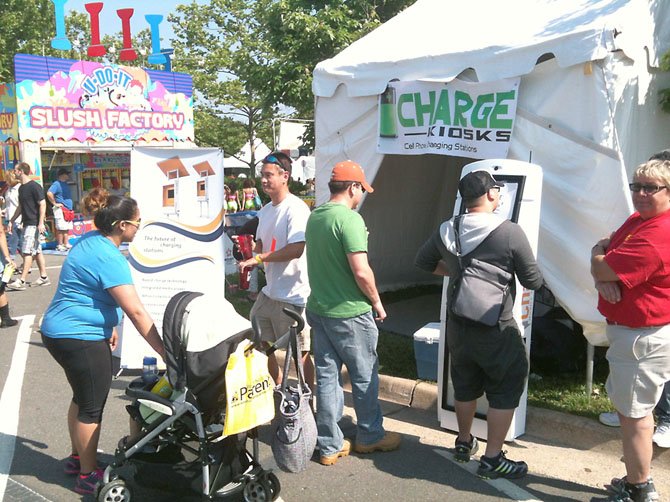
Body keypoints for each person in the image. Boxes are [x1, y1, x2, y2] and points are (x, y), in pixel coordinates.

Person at [415, 170, 543, 479]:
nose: (498, 196)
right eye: (496, 192)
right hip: (496, 326)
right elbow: (533, 280)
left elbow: (423, 262)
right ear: (490, 195)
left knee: (465, 383)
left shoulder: (448, 228)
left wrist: (459, 273)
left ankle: (463, 442)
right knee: (506, 384)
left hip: (459, 324)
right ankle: (493, 458)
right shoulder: (510, 232)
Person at [40, 192, 165, 495]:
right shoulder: (109, 257)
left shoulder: (90, 241)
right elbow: (136, 311)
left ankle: (76, 457)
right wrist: (165, 351)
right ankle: (86, 473)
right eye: (138, 222)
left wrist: (108, 324)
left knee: (82, 397)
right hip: (78, 336)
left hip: (60, 331)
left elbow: (91, 291)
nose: (139, 227)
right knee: (91, 407)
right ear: (122, 225)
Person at [305, 160, 401, 466]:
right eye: (362, 189)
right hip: (350, 313)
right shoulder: (349, 220)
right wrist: (377, 302)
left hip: (320, 309)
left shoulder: (315, 217)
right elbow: (361, 271)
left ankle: (329, 445)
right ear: (353, 187)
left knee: (328, 376)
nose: (361, 196)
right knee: (364, 376)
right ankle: (370, 435)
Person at [590, 158, 670, 501]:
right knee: (632, 410)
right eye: (636, 186)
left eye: (650, 188)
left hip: (641, 337)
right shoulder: (641, 220)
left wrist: (599, 265)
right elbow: (610, 244)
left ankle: (639, 488)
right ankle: (636, 480)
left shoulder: (657, 235)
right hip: (634, 334)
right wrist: (603, 271)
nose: (640, 194)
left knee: (635, 416)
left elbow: (604, 259)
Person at [237, 152, 315, 391]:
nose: (263, 180)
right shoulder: (266, 210)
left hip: (294, 297)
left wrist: (259, 257)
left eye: (269, 175)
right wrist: (251, 251)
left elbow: (296, 249)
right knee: (264, 343)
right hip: (270, 293)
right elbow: (260, 245)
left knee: (299, 352)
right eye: (262, 175)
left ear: (285, 176)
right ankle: (277, 387)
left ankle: (306, 398)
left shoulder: (296, 209)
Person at [7, 162, 50, 290]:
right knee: (37, 251)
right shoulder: (21, 188)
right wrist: (12, 220)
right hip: (26, 223)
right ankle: (43, 277)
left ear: (21, 171)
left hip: (33, 223)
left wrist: (41, 222)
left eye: (16, 170)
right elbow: (21, 206)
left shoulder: (34, 187)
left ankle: (22, 281)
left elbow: (42, 204)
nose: (14, 172)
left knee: (27, 252)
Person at [46, 168, 74, 252]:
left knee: (66, 227)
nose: (68, 175)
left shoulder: (65, 184)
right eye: (66, 174)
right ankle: (60, 244)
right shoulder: (56, 184)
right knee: (61, 228)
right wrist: (55, 203)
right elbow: (49, 193)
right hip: (61, 209)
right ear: (62, 175)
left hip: (67, 209)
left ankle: (66, 243)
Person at [4, 171, 24, 269]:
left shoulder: (20, 189)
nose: (5, 181)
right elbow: (9, 205)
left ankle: (10, 267)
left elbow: (20, 205)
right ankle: (26, 264)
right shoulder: (9, 189)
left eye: (7, 178)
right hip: (9, 218)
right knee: (19, 244)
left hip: (16, 220)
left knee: (11, 245)